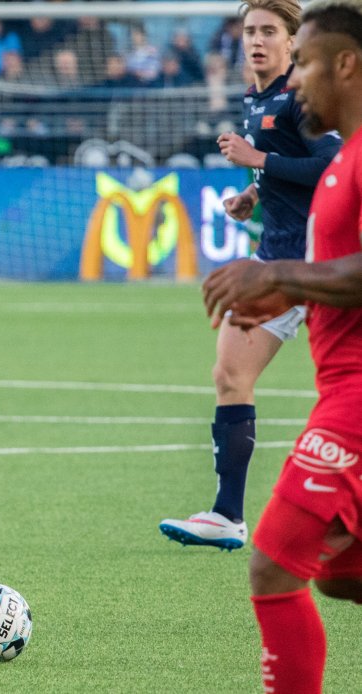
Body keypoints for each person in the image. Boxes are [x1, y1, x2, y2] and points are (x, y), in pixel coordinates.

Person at [201, 3, 362, 690]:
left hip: (356, 401)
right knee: (341, 572)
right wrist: (290, 292)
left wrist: (280, 274)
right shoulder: (339, 165)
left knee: (273, 561)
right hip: (341, 387)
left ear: (347, 65)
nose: (295, 84)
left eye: (309, 64)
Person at [159, 0, 341, 552]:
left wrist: (258, 162)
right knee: (230, 373)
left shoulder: (303, 97)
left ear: (293, 42)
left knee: (344, 390)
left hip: (329, 264)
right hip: (277, 262)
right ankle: (227, 515)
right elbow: (289, 170)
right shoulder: (255, 99)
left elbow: (334, 168)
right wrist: (253, 194)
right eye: (249, 31)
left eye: (269, 32)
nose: (256, 41)